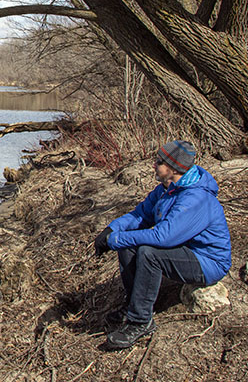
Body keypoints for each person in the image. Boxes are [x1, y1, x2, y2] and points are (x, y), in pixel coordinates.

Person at [93, 140, 231, 349]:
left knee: (149, 253)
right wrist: (112, 230)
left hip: (207, 261)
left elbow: (163, 237)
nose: (154, 165)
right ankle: (133, 304)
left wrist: (115, 240)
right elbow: (141, 215)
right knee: (130, 244)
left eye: (159, 162)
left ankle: (141, 321)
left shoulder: (195, 198)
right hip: (185, 250)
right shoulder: (166, 190)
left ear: (173, 168)